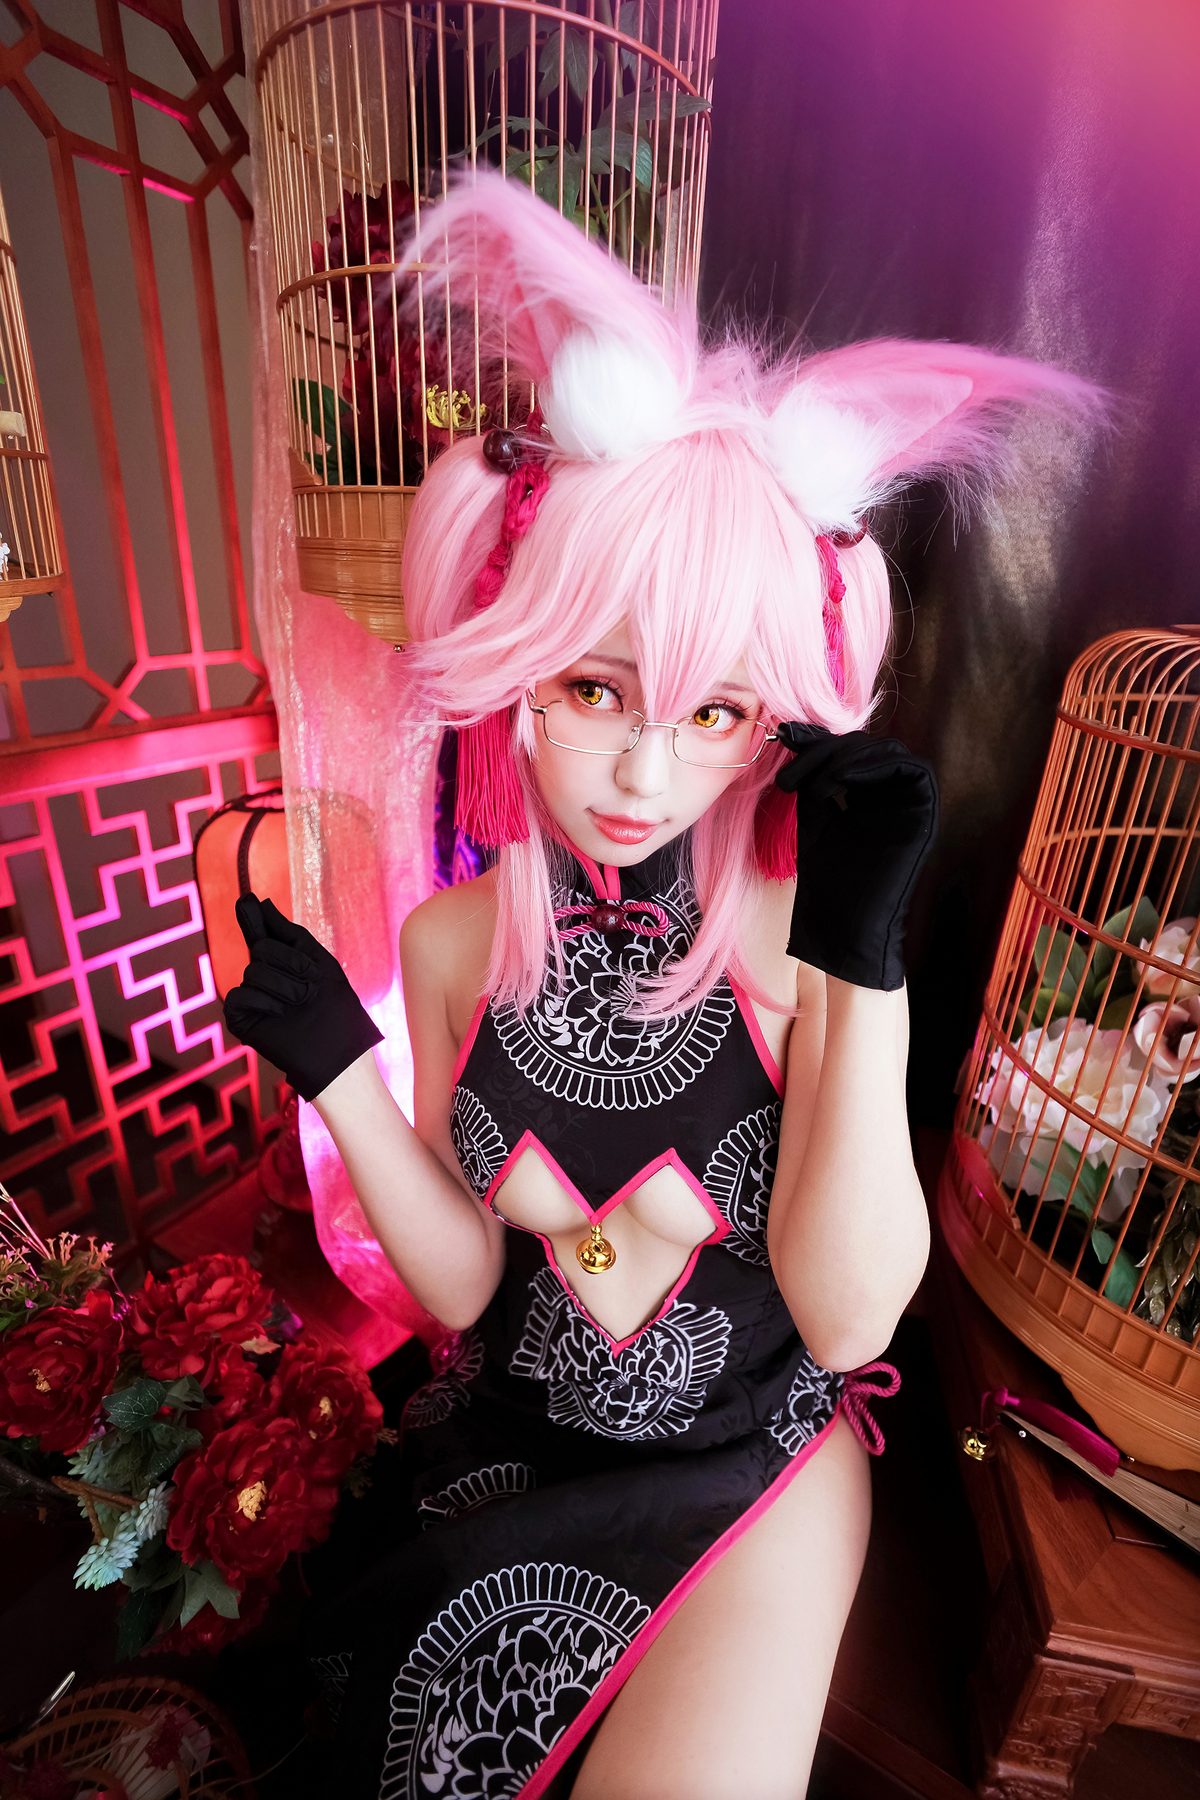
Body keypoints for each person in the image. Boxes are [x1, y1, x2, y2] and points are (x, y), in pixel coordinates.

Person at [222, 174, 1103, 1798]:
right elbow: (466, 1295)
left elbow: (847, 1317)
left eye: (715, 713)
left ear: (780, 716)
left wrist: (865, 963)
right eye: (595, 688)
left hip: (753, 1463)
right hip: (511, 1445)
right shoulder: (451, 944)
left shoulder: (795, 940)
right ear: (516, 664)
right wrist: (338, 1069)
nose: (644, 772)